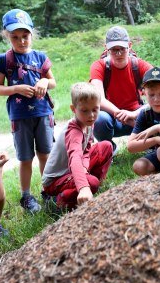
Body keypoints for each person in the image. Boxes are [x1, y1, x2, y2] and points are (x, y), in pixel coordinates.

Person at [0, 9, 56, 213]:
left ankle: (48, 190)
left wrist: (45, 81)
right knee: (26, 158)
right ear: (7, 36)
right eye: (15, 37)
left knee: (45, 154)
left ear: (32, 34)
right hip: (20, 117)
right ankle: (26, 197)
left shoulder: (40, 57)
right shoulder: (5, 59)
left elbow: (53, 82)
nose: (21, 41)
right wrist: (16, 88)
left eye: (25, 36)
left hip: (43, 113)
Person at [42, 82, 113, 210]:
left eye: (95, 109)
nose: (91, 115)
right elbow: (74, 158)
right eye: (84, 110)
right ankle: (58, 201)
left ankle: (89, 187)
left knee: (106, 146)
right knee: (91, 182)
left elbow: (86, 150)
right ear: (73, 109)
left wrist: (85, 167)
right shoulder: (74, 131)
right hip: (56, 179)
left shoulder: (88, 122)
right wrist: (84, 187)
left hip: (74, 169)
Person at [90, 26, 153, 152]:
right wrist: (121, 115)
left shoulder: (140, 65)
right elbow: (99, 99)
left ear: (129, 46)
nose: (118, 54)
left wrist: (133, 115)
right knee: (99, 118)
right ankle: (108, 149)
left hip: (137, 117)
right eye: (114, 50)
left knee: (153, 112)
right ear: (106, 48)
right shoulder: (99, 66)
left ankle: (149, 144)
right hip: (112, 118)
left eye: (122, 49)